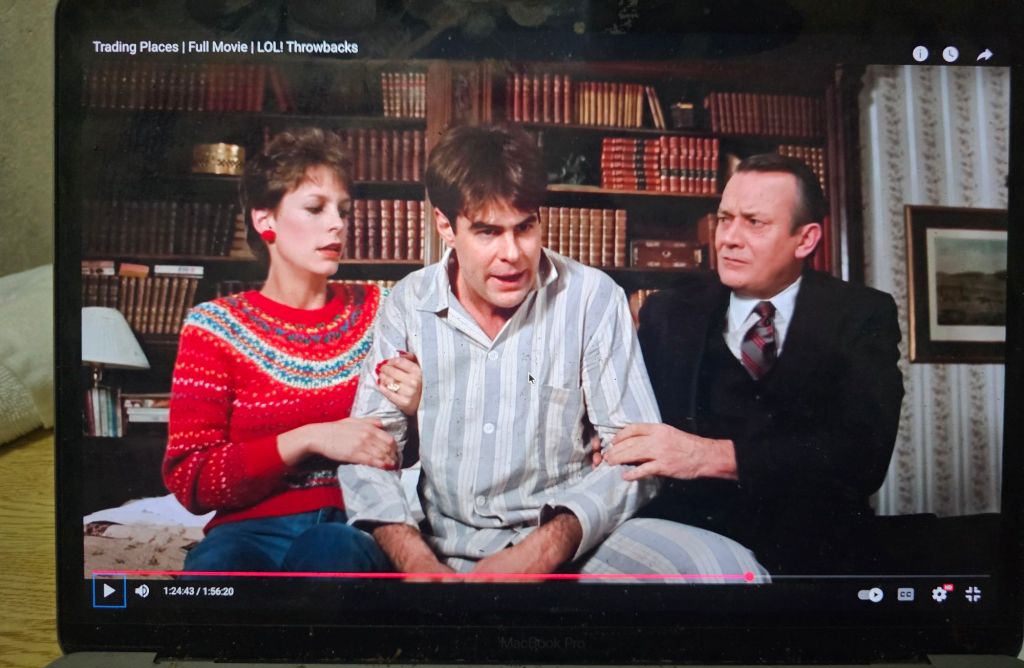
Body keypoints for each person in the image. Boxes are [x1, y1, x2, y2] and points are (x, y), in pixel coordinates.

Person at [337, 124, 766, 581]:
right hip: (439, 542)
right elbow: (369, 454)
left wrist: (545, 549)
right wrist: (414, 559)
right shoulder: (409, 302)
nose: (512, 253)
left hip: (574, 539)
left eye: (525, 227)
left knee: (728, 570)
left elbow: (635, 456)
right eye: (488, 232)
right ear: (445, 226)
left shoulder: (593, 297)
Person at [604, 153, 904, 573]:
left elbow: (862, 457)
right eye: (725, 219)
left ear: (805, 239)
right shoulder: (669, 311)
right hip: (692, 553)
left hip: (815, 561)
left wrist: (710, 456)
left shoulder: (861, 315)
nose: (729, 238)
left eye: (754, 222)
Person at [163, 127, 421, 574]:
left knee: (332, 552)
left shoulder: (382, 309)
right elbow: (192, 480)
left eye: (343, 210)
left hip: (352, 523)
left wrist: (420, 408)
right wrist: (309, 437)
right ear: (266, 221)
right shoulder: (213, 327)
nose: (337, 224)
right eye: (316, 208)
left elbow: (408, 450)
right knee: (218, 571)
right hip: (244, 532)